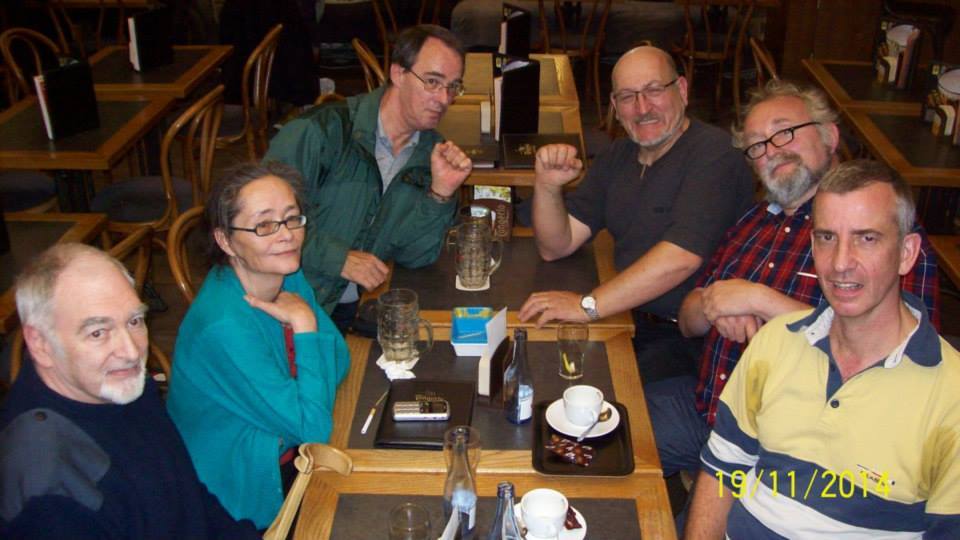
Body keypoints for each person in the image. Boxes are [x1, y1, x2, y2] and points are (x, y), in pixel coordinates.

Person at [647, 80, 941, 479]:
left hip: (796, 452)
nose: (771, 150)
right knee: (588, 430)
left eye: (784, 132)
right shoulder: (753, 222)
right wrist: (714, 302)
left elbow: (904, 357)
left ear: (829, 135)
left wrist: (758, 300)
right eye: (757, 145)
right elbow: (687, 320)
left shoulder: (882, 231)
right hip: (708, 410)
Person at [686, 159, 960, 538]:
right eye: (827, 237)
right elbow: (722, 471)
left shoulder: (951, 397)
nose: (841, 263)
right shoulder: (776, 340)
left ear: (906, 253)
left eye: (867, 238)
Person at [518, 45, 754, 382]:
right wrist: (547, 186)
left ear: (682, 90)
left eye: (654, 90)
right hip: (625, 316)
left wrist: (587, 305)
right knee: (537, 369)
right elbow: (557, 245)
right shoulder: (620, 155)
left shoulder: (715, 156)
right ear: (615, 107)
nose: (643, 108)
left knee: (582, 395)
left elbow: (680, 259)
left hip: (689, 340)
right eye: (628, 97)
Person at [0, 244, 258, 539]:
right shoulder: (48, 490)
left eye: (134, 321)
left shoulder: (118, 385)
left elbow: (187, 496)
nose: (131, 350)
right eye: (98, 332)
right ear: (40, 343)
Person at [166, 163, 350, 528]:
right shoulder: (223, 326)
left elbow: (341, 358)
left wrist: (303, 402)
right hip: (239, 491)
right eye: (264, 225)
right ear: (225, 240)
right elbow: (312, 428)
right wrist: (305, 326)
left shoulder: (284, 273)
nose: (286, 236)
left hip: (288, 450)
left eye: (292, 218)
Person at [264, 24, 473, 331]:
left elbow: (414, 256)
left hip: (357, 310)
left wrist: (441, 193)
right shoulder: (319, 133)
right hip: (285, 308)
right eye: (432, 82)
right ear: (398, 74)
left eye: (453, 86)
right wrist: (340, 260)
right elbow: (260, 229)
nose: (444, 99)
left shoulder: (431, 154)